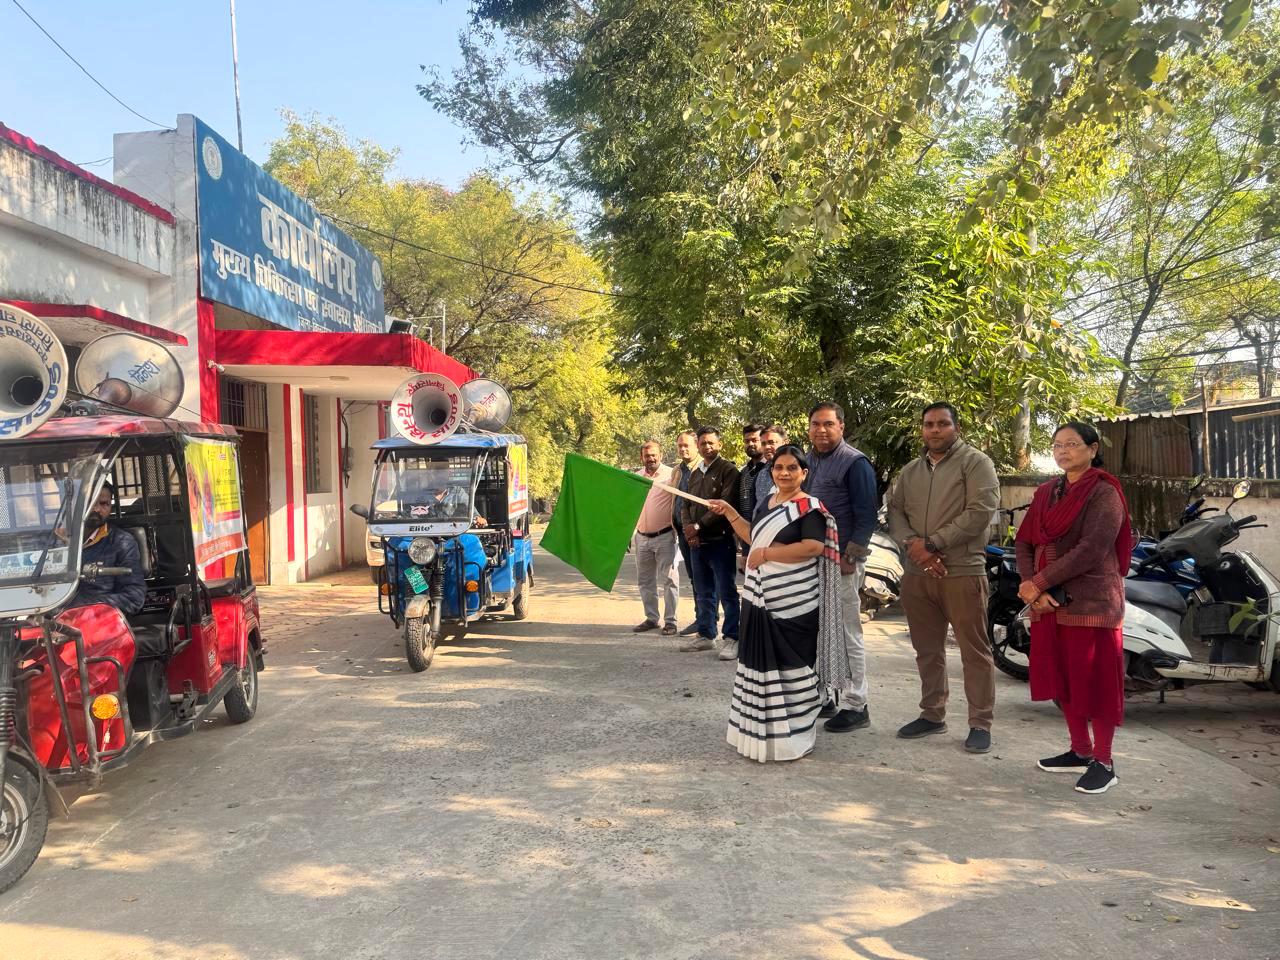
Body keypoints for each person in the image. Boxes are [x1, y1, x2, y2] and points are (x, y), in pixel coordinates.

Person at [706, 446, 851, 762]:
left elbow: (812, 547)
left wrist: (768, 554)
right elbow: (752, 536)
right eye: (778, 468)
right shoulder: (767, 503)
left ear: (804, 473)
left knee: (793, 664)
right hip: (760, 596)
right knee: (760, 662)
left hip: (795, 601)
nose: (784, 473)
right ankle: (762, 732)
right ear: (771, 472)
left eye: (791, 468)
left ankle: (794, 737)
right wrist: (729, 512)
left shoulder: (809, 508)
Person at [1016, 422, 1133, 795]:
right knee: (1064, 680)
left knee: (1096, 684)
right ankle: (1080, 750)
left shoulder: (1104, 493)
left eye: (1071, 444)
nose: (1062, 451)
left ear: (1092, 449)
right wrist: (1031, 587)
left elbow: (1092, 549)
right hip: (1049, 602)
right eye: (1056, 445)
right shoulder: (1047, 492)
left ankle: (1104, 761)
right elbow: (1024, 541)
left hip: (1092, 600)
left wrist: (1039, 582)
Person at [887, 402, 1000, 753]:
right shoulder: (911, 471)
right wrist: (914, 547)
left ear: (957, 427)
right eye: (929, 424)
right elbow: (895, 511)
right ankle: (932, 714)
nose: (935, 430)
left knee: (974, 651)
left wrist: (933, 544)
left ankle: (980, 722)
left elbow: (980, 512)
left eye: (942, 423)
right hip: (917, 574)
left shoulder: (976, 463)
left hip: (962, 571)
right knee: (927, 650)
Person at [805, 402, 879, 733]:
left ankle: (856, 703)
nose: (821, 430)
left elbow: (867, 515)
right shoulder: (809, 461)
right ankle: (825, 697)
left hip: (843, 562)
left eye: (828, 424)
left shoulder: (854, 462)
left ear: (841, 427)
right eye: (816, 424)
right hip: (813, 560)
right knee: (820, 632)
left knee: (848, 633)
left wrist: (851, 557)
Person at [680, 427, 741, 657]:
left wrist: (698, 526)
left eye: (711, 443)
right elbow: (685, 504)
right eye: (703, 443)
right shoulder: (696, 473)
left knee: (727, 592)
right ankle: (706, 635)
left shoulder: (728, 470)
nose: (707, 447)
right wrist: (690, 531)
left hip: (721, 541)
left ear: (719, 445)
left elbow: (724, 505)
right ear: (698, 445)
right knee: (703, 591)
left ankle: (732, 638)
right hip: (698, 544)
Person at [70, 482, 145, 615]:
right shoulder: (55, 541)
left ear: (111, 506)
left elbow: (134, 597)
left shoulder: (121, 542)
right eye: (90, 503)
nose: (96, 509)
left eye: (104, 504)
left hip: (98, 620)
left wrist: (87, 607)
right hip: (52, 619)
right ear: (75, 504)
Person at [631, 440, 680, 636]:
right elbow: (630, 507)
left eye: (654, 455)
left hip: (665, 536)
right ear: (641, 457)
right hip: (641, 538)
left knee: (669, 580)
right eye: (647, 455)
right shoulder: (636, 477)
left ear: (660, 455)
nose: (650, 458)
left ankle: (671, 622)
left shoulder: (671, 475)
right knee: (645, 581)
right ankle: (652, 618)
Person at [672, 430, 700, 636]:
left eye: (686, 445)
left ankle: (706, 621)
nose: (682, 449)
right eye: (680, 445)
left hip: (699, 532)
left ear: (696, 446)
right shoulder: (677, 471)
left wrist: (697, 528)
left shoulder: (703, 468)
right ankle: (702, 618)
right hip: (682, 532)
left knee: (703, 578)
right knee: (693, 577)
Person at [735, 423, 768, 565]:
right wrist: (745, 550)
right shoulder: (744, 472)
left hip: (768, 536)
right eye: (747, 441)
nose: (750, 444)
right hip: (747, 535)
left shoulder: (772, 469)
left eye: (755, 440)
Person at [753, 424, 788, 511]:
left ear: (785, 443)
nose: (767, 447)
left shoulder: (798, 471)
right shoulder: (761, 474)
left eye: (771, 442)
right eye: (763, 444)